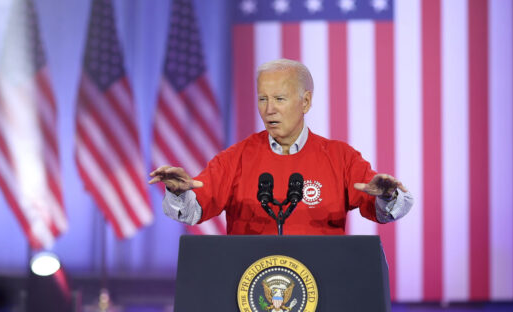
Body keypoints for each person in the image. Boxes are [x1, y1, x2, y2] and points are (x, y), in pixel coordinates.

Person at [149, 59, 413, 234]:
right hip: (251, 286)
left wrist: (388, 196)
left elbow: (385, 211)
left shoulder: (340, 157)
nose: (269, 109)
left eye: (279, 98)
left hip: (321, 284)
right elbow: (192, 212)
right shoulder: (235, 158)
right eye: (262, 99)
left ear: (305, 102)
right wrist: (177, 193)